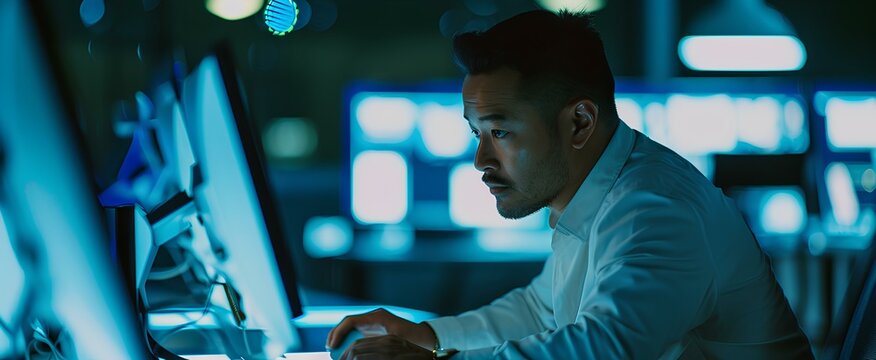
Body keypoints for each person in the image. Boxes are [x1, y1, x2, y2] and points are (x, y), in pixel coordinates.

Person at [326, 9, 813, 359]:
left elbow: (603, 348)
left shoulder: (655, 209)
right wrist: (426, 336)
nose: (480, 159)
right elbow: (543, 310)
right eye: (477, 134)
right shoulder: (597, 193)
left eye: (500, 132)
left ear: (580, 122)